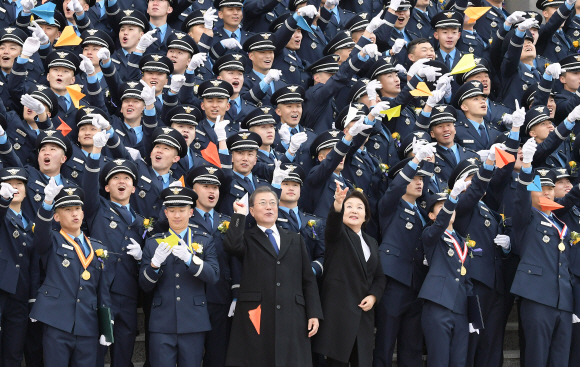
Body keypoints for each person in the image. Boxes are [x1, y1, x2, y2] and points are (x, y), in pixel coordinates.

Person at [224, 185, 323, 366]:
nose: (269, 207)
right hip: (258, 315)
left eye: (272, 203)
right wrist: (238, 215)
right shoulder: (246, 238)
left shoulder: (295, 239)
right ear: (252, 211)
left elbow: (307, 279)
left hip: (292, 314)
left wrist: (314, 313)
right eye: (262, 203)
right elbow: (231, 246)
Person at [29, 180, 113, 367]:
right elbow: (40, 234)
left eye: (77, 208)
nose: (74, 213)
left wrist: (107, 327)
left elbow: (102, 291)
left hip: (88, 325)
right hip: (57, 321)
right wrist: (47, 204)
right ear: (56, 217)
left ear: (83, 212)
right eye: (67, 209)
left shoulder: (98, 247)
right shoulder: (52, 240)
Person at [140, 185, 219, 367]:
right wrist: (154, 264)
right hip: (162, 322)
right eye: (172, 211)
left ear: (191, 212)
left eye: (182, 210)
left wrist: (190, 260)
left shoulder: (204, 240)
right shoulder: (153, 243)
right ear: (165, 213)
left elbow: (214, 276)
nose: (177, 215)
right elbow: (144, 285)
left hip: (193, 321)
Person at [313, 183, 386, 367]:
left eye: (360, 207)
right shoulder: (337, 235)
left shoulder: (372, 243)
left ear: (366, 216)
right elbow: (332, 224)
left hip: (364, 317)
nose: (354, 210)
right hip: (339, 316)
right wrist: (338, 204)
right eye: (349, 206)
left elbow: (379, 277)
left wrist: (374, 296)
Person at [0, 167, 34, 367]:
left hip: (20, 295)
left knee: (14, 352)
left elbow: (33, 263)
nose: (14, 187)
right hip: (1, 290)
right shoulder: (3, 213)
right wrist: (2, 202)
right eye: (9, 184)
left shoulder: (30, 222)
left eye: (19, 183)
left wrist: (32, 296)